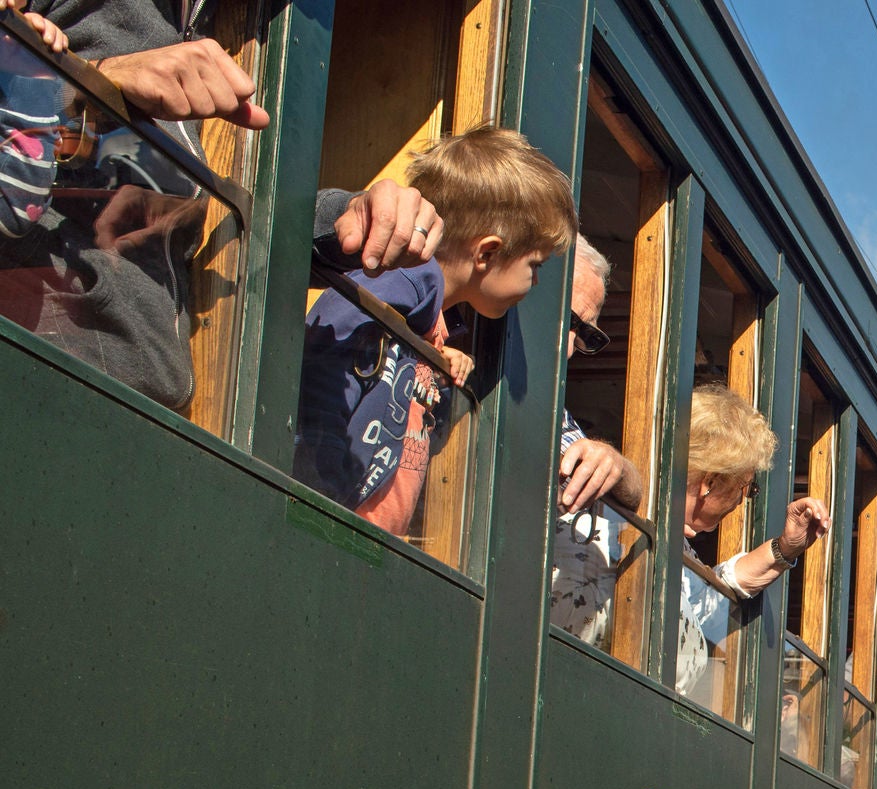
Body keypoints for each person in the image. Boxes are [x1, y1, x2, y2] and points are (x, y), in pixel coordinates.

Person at [1, 0, 445, 410]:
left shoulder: (227, 23)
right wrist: (98, 81)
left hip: (138, 407)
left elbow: (228, 219)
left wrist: (350, 219)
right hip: (40, 371)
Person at [293, 125, 575, 534]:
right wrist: (319, 489)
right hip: (331, 520)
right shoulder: (403, 281)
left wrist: (439, 371)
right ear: (488, 252)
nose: (535, 283)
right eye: (536, 265)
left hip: (360, 531)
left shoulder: (429, 319)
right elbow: (325, 368)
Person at [673, 382, 830, 706]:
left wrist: (787, 547)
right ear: (710, 482)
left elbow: (715, 593)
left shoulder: (678, 546)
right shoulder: (620, 526)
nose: (742, 501)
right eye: (745, 487)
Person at [548, 235, 646, 645]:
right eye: (568, 321)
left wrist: (615, 463)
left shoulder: (550, 404)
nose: (571, 348)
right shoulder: (452, 351)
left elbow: (635, 491)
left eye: (583, 333)